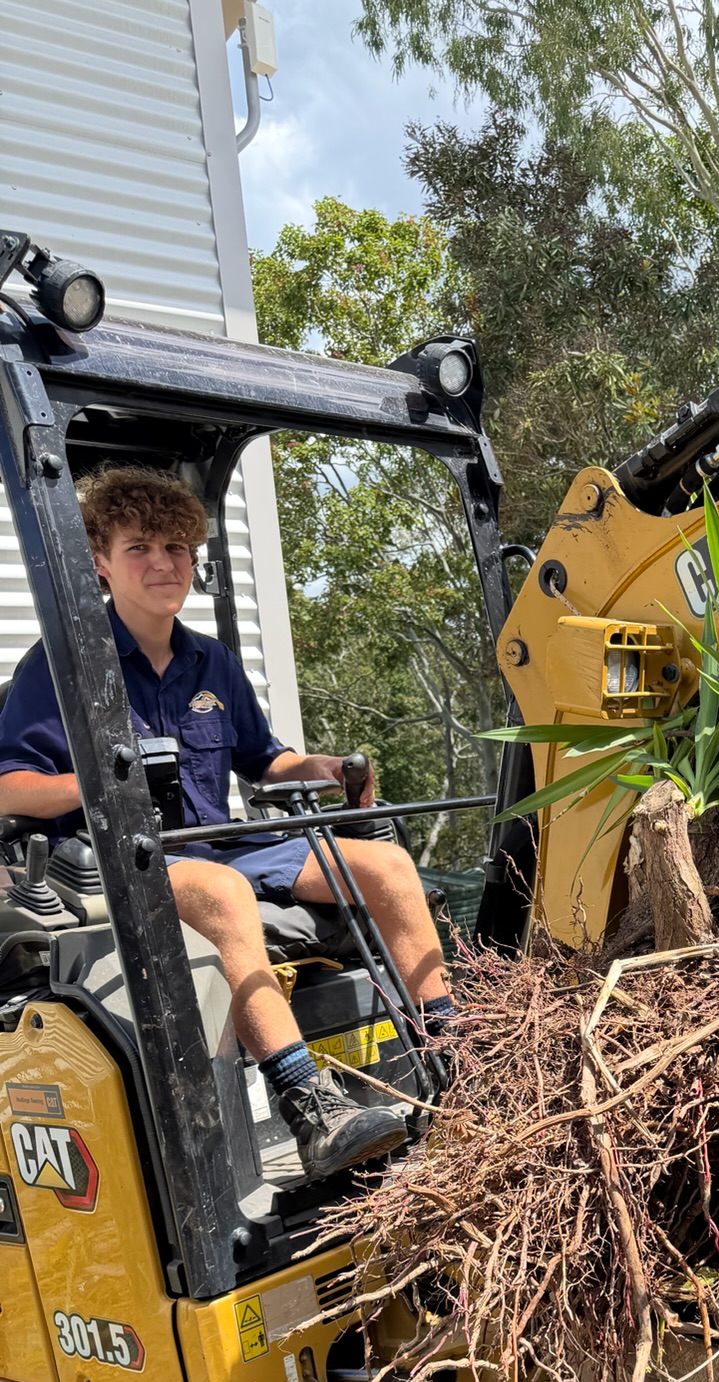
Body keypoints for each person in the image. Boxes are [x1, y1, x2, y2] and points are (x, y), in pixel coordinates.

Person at [0, 465, 458, 1180]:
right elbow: (11, 790)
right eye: (139, 548)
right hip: (115, 861)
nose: (162, 563)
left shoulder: (211, 663)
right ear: (100, 563)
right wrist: (97, 785)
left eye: (176, 548)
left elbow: (264, 761)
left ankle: (458, 1060)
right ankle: (310, 1105)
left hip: (218, 843)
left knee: (388, 867)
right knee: (221, 892)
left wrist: (329, 769)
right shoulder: (60, 669)